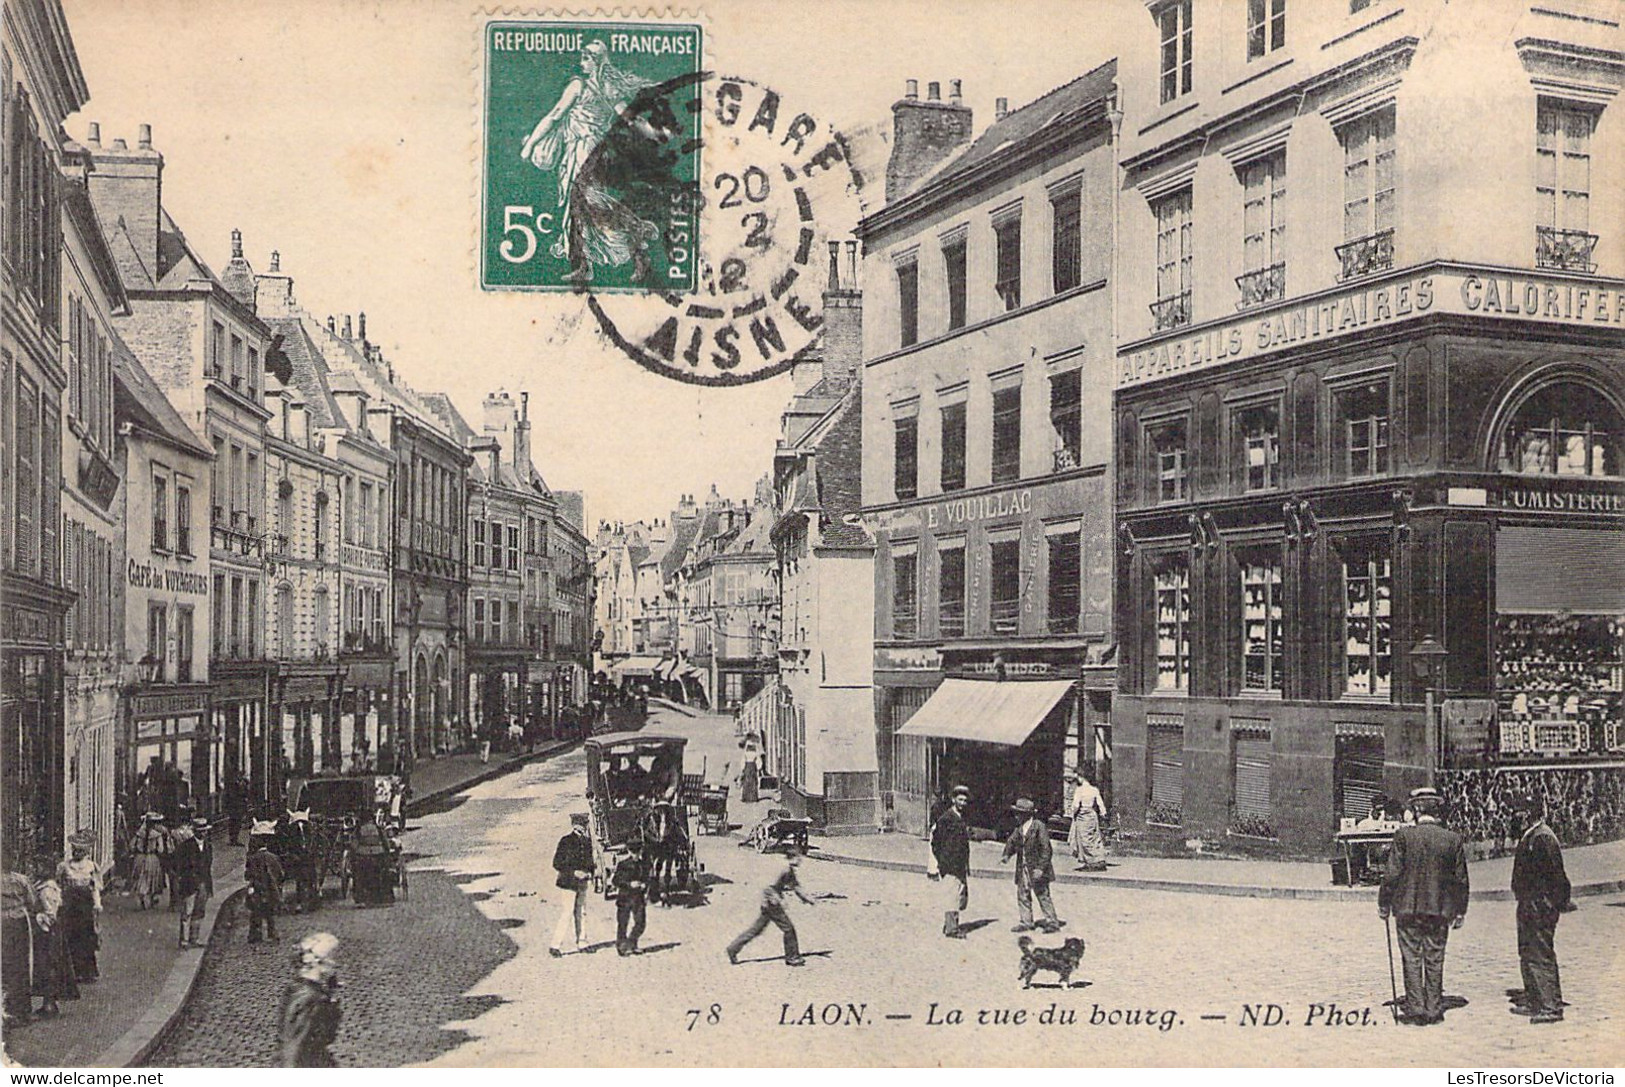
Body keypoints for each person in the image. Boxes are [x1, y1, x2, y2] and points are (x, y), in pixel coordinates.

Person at [519, 40, 660, 283]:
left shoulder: (578, 85)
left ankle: (636, 235)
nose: (581, 62)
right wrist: (653, 133)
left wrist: (531, 144)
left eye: (585, 58)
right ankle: (586, 264)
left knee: (592, 204)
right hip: (595, 153)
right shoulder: (607, 87)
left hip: (584, 152)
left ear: (595, 61)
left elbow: (554, 116)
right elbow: (630, 118)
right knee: (585, 209)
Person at [1378, 786, 1468, 1026]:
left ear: (1416, 810)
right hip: (1439, 910)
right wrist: (1460, 910)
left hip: (1407, 909)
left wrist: (1384, 904)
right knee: (1435, 957)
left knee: (1411, 957)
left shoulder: (1404, 837)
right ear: (1436, 810)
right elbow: (1460, 880)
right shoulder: (1452, 839)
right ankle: (1434, 1008)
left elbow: (1391, 875)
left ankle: (1416, 1008)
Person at [1509, 792, 1573, 1024]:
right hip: (1529, 905)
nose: (1514, 817)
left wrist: (1552, 904)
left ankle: (1550, 1006)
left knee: (1540, 954)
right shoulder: (1532, 835)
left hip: (1539, 906)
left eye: (1518, 813)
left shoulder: (1543, 837)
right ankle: (1535, 1000)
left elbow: (1557, 876)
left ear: (1528, 814)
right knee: (1528, 952)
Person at [726, 848, 814, 967]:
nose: (801, 860)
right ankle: (792, 957)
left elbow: (795, 886)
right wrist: (780, 901)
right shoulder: (783, 869)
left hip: (769, 904)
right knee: (788, 929)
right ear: (794, 857)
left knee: (756, 929)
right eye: (800, 858)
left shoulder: (788, 869)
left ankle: (733, 948)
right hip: (772, 904)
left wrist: (807, 898)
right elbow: (769, 888)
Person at [1002, 797, 1063, 934]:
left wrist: (1040, 868)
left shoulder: (1038, 826)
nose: (1016, 816)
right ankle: (1026, 922)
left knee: (1042, 894)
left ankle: (1052, 922)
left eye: (1019, 813)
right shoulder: (1019, 829)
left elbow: (1047, 849)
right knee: (1023, 893)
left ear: (1027, 814)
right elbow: (1011, 842)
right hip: (1022, 867)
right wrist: (1007, 854)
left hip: (1036, 868)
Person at [280, 932, 341, 1067]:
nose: (336, 964)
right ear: (319, 963)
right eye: (332, 957)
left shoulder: (300, 988)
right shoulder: (310, 999)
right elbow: (293, 1047)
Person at [30, 858, 78, 1014]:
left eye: (39, 866)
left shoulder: (47, 889)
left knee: (49, 965)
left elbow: (50, 914)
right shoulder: (46, 886)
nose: (36, 869)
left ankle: (49, 1003)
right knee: (49, 965)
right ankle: (48, 1002)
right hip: (51, 931)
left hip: (48, 932)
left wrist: (39, 919)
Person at [55, 833, 103, 979]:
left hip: (85, 905)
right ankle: (72, 971)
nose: (77, 853)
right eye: (75, 850)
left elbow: (94, 887)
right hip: (70, 905)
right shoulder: (64, 866)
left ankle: (87, 972)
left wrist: (97, 904)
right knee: (71, 935)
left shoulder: (91, 866)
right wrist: (58, 902)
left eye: (81, 851)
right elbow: (58, 886)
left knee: (86, 937)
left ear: (86, 852)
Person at [549, 813, 596, 957]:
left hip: (582, 882)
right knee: (567, 912)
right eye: (582, 824)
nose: (583, 827)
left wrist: (589, 873)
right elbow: (557, 863)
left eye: (584, 824)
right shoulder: (566, 841)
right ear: (575, 826)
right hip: (568, 882)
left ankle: (582, 942)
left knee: (582, 911)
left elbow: (590, 862)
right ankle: (555, 945)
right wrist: (574, 872)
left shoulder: (587, 842)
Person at [930, 785, 972, 939]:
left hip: (959, 865)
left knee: (960, 896)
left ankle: (949, 924)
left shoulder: (960, 818)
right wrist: (943, 860)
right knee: (952, 897)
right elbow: (935, 842)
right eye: (960, 800)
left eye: (965, 801)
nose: (963, 803)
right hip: (950, 865)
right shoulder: (946, 819)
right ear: (954, 800)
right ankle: (952, 929)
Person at [172, 817, 212, 949]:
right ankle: (184, 940)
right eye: (200, 831)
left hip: (203, 883)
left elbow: (208, 865)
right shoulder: (185, 846)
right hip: (189, 884)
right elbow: (179, 865)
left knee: (199, 911)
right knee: (187, 912)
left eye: (205, 831)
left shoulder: (208, 846)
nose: (203, 834)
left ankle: (194, 938)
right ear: (194, 831)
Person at [2, 869, 36, 1024]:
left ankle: (7, 1010)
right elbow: (32, 901)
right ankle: (21, 1011)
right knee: (20, 966)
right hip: (18, 923)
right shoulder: (21, 880)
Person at [245, 823, 285, 943]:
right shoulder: (273, 857)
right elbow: (280, 874)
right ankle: (272, 934)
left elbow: (248, 875)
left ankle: (255, 935)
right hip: (271, 889)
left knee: (256, 913)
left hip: (258, 889)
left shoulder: (252, 858)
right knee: (270, 913)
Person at [612, 839, 650, 956]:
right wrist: (629, 884)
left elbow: (647, 879)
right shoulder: (623, 865)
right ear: (629, 851)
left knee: (641, 923)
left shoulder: (643, 864)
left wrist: (644, 885)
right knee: (623, 923)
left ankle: (632, 943)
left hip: (638, 898)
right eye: (634, 852)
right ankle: (621, 947)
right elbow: (615, 881)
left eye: (638, 852)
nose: (636, 855)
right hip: (625, 898)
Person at [1067, 771, 1109, 871]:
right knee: (1094, 838)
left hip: (1083, 816)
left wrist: (1072, 813)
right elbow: (1100, 804)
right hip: (1092, 815)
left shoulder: (1079, 790)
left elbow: (1076, 805)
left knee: (1084, 839)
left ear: (1082, 777)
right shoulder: (1094, 790)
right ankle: (1099, 859)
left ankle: (1090, 861)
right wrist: (1103, 813)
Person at [349, 814, 394, 906]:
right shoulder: (378, 828)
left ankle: (361, 898)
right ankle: (384, 897)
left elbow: (354, 844)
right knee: (384, 873)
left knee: (358, 874)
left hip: (363, 855)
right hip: (378, 854)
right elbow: (386, 843)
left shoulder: (358, 829)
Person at [129, 810, 170, 910]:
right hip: (152, 858)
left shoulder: (139, 833)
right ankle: (151, 898)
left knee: (140, 877)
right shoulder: (156, 835)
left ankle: (142, 897)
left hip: (140, 857)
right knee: (153, 879)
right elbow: (160, 850)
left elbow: (131, 846)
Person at [225, 774, 250, 846]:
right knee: (233, 824)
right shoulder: (233, 786)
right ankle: (233, 840)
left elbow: (246, 794)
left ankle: (235, 839)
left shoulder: (243, 784)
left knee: (237, 824)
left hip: (239, 808)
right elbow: (231, 796)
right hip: (234, 808)